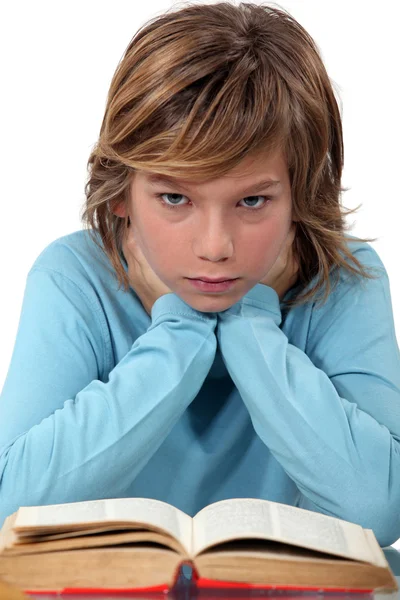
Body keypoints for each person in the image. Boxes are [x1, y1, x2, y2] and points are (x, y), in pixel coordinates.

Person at [0, 1, 399, 551]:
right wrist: (181, 331)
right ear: (120, 194)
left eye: (253, 200)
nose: (215, 247)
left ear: (300, 196)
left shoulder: (345, 279)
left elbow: (377, 508)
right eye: (174, 197)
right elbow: (11, 509)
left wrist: (248, 323)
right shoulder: (74, 278)